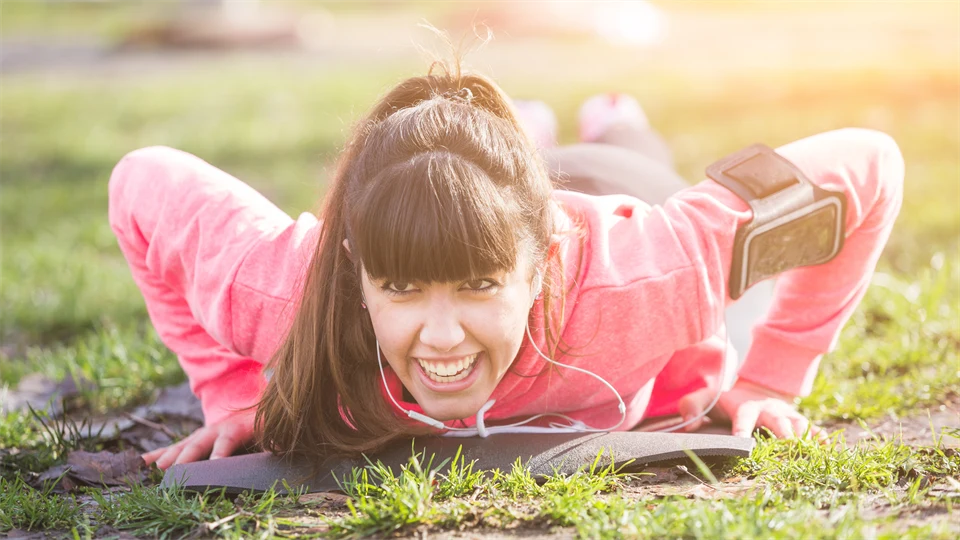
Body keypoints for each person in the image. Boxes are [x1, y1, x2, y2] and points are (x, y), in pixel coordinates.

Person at [108, 62, 903, 471]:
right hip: (471, 201)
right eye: (401, 289)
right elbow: (139, 182)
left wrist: (772, 379)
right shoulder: (287, 294)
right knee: (493, 177)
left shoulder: (652, 273)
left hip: (607, 192)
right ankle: (523, 129)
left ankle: (613, 114)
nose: (442, 336)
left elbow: (869, 166)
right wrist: (236, 391)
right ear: (355, 266)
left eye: (479, 288)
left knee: (625, 150)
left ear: (541, 262)